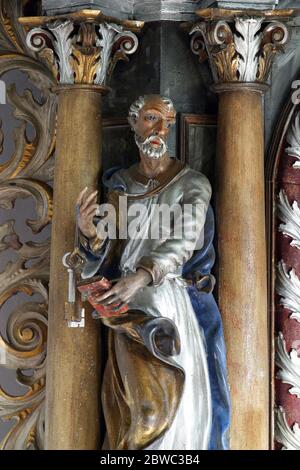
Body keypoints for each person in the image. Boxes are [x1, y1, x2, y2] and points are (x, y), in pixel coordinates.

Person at [76, 95, 230, 450]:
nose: (160, 129)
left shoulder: (193, 184)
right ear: (134, 125)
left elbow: (183, 241)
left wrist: (142, 277)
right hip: (122, 304)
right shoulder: (120, 185)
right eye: (150, 118)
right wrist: (90, 235)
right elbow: (110, 247)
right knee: (131, 410)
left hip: (164, 300)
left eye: (165, 122)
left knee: (162, 411)